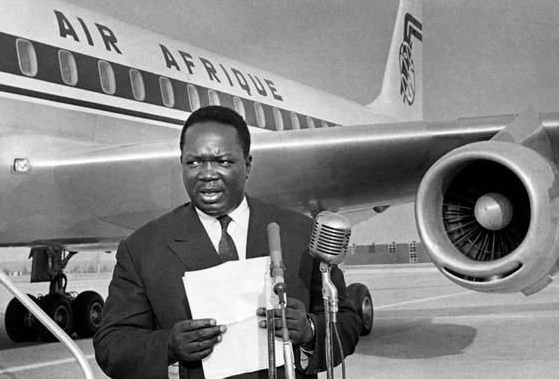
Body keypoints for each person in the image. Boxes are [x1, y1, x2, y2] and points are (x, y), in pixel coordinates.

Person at [93, 106, 361, 378]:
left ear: (247, 165)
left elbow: (347, 323)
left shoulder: (300, 233)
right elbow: (111, 346)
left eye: (222, 161)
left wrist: (309, 330)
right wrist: (168, 346)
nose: (207, 173)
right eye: (194, 162)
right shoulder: (142, 249)